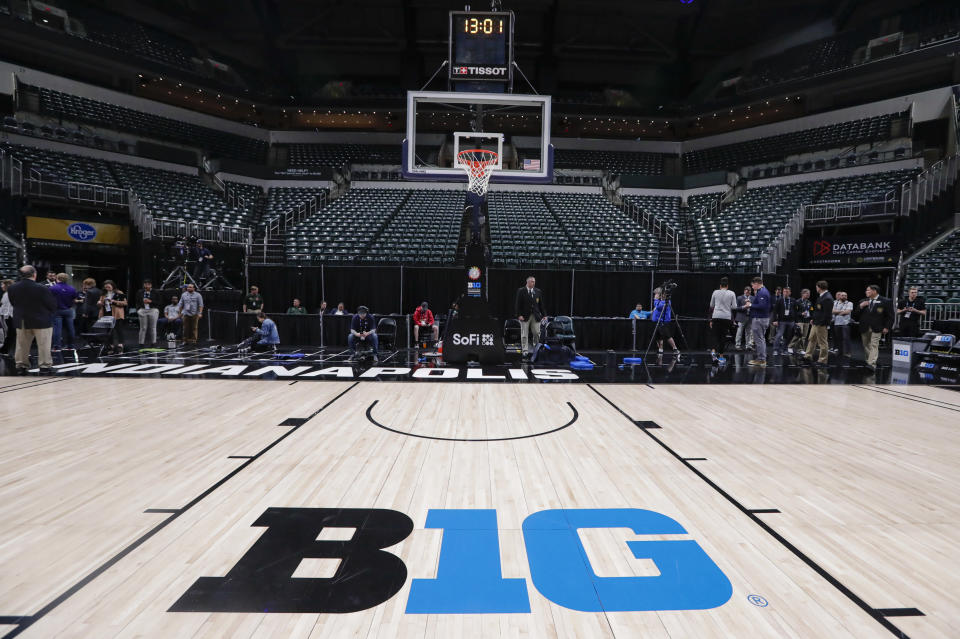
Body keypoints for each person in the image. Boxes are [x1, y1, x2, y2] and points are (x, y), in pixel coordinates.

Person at [8, 265, 57, 374]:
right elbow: (52, 305)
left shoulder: (12, 287)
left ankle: (21, 366)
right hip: (41, 320)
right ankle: (44, 366)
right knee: (44, 344)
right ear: (34, 274)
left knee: (21, 345)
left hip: (22, 320)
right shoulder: (42, 288)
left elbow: (13, 303)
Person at [858, 284, 893, 371]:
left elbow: (890, 316)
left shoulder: (886, 301)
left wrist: (887, 327)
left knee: (874, 345)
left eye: (868, 290)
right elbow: (856, 314)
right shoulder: (863, 301)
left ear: (874, 291)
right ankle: (868, 361)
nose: (866, 292)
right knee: (866, 345)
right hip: (864, 326)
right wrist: (860, 306)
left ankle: (872, 364)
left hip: (878, 327)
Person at [804, 280, 834, 366]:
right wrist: (813, 319)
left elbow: (827, 314)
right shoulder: (821, 296)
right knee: (811, 339)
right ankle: (808, 356)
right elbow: (818, 311)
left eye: (816, 287)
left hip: (821, 324)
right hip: (816, 322)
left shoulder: (827, 298)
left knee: (822, 342)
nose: (816, 288)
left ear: (819, 287)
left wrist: (822, 323)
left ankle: (823, 360)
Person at [515, 276, 545, 357]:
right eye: (532, 281)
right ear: (527, 282)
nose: (534, 283)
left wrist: (544, 315)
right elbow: (518, 304)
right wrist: (519, 315)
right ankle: (525, 350)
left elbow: (541, 304)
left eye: (534, 281)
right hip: (524, 316)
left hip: (535, 315)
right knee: (524, 334)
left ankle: (536, 349)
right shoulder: (521, 291)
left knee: (536, 333)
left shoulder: (538, 291)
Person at [708, 277, 736, 363]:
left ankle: (713, 351)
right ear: (727, 286)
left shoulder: (715, 292)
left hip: (716, 316)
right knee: (722, 337)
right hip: (726, 317)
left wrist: (710, 319)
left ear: (720, 286)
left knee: (715, 335)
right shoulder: (732, 293)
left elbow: (711, 305)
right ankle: (721, 356)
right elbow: (734, 307)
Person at [746, 276, 772, 367]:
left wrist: (750, 305)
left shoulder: (762, 293)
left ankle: (761, 359)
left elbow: (762, 306)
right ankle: (762, 358)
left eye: (753, 285)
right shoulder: (763, 291)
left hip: (759, 319)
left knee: (759, 340)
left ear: (757, 284)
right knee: (761, 340)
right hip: (762, 318)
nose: (752, 287)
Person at [49, 273, 78, 352]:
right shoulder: (72, 288)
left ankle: (57, 346)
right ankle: (71, 345)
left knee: (57, 329)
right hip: (68, 310)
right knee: (70, 328)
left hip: (57, 310)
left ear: (57, 278)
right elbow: (74, 299)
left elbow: (49, 299)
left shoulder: (53, 288)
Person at [98, 280, 128, 354]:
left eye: (109, 286)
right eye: (106, 287)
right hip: (106, 313)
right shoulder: (103, 294)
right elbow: (100, 304)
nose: (107, 288)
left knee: (118, 329)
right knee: (109, 331)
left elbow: (125, 303)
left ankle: (120, 345)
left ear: (112, 286)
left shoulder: (119, 293)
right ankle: (111, 345)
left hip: (117, 314)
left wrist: (113, 301)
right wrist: (99, 303)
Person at [651, 287, 679, 355]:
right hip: (656, 321)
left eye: (657, 294)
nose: (655, 295)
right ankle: (660, 349)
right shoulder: (660, 301)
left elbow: (659, 307)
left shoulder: (666, 302)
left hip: (663, 322)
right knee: (658, 336)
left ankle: (675, 349)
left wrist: (655, 299)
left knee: (667, 336)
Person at [771, 285, 798, 356]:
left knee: (788, 336)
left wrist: (796, 321)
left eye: (787, 292)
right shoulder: (779, 300)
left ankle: (784, 349)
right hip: (782, 321)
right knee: (779, 335)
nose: (785, 293)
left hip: (791, 321)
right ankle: (776, 350)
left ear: (790, 293)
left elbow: (795, 311)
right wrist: (775, 320)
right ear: (783, 292)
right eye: (784, 291)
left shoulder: (793, 300)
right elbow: (775, 311)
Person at [135, 279, 161, 347]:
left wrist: (151, 302)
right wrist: (138, 310)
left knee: (153, 327)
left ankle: (153, 343)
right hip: (143, 310)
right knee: (143, 327)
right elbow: (137, 301)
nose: (146, 286)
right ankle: (141, 343)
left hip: (153, 310)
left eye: (148, 284)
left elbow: (160, 302)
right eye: (145, 284)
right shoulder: (140, 292)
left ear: (151, 285)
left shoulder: (156, 292)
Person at [789, 289, 812, 355]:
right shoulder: (797, 301)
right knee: (799, 334)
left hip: (807, 321)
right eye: (807, 293)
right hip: (799, 320)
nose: (808, 295)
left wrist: (811, 318)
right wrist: (801, 314)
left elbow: (811, 310)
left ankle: (800, 349)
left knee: (804, 336)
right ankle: (790, 346)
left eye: (809, 293)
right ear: (803, 294)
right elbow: (794, 312)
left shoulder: (809, 302)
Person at [832, 291, 854, 361]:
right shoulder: (835, 303)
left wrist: (837, 312)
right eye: (842, 295)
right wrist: (841, 312)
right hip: (837, 323)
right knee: (839, 339)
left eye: (845, 295)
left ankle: (847, 353)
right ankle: (840, 352)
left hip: (845, 323)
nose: (844, 296)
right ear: (839, 296)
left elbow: (847, 312)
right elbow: (832, 311)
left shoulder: (849, 303)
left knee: (846, 338)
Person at [734, 286, 754, 350]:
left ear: (751, 291)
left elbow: (755, 307)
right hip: (741, 317)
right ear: (744, 291)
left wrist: (751, 306)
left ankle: (748, 346)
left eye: (749, 290)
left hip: (750, 317)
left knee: (749, 332)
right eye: (746, 290)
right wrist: (744, 306)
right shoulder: (739, 298)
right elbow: (736, 308)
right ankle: (737, 346)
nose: (747, 291)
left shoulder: (753, 298)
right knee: (739, 332)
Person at [0, 278, 14, 355]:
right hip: (6, 316)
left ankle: (5, 350)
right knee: (9, 334)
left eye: (2, 284)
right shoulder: (6, 294)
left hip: (8, 316)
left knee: (10, 334)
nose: (1, 286)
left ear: (7, 285)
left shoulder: (9, 293)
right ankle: (4, 350)